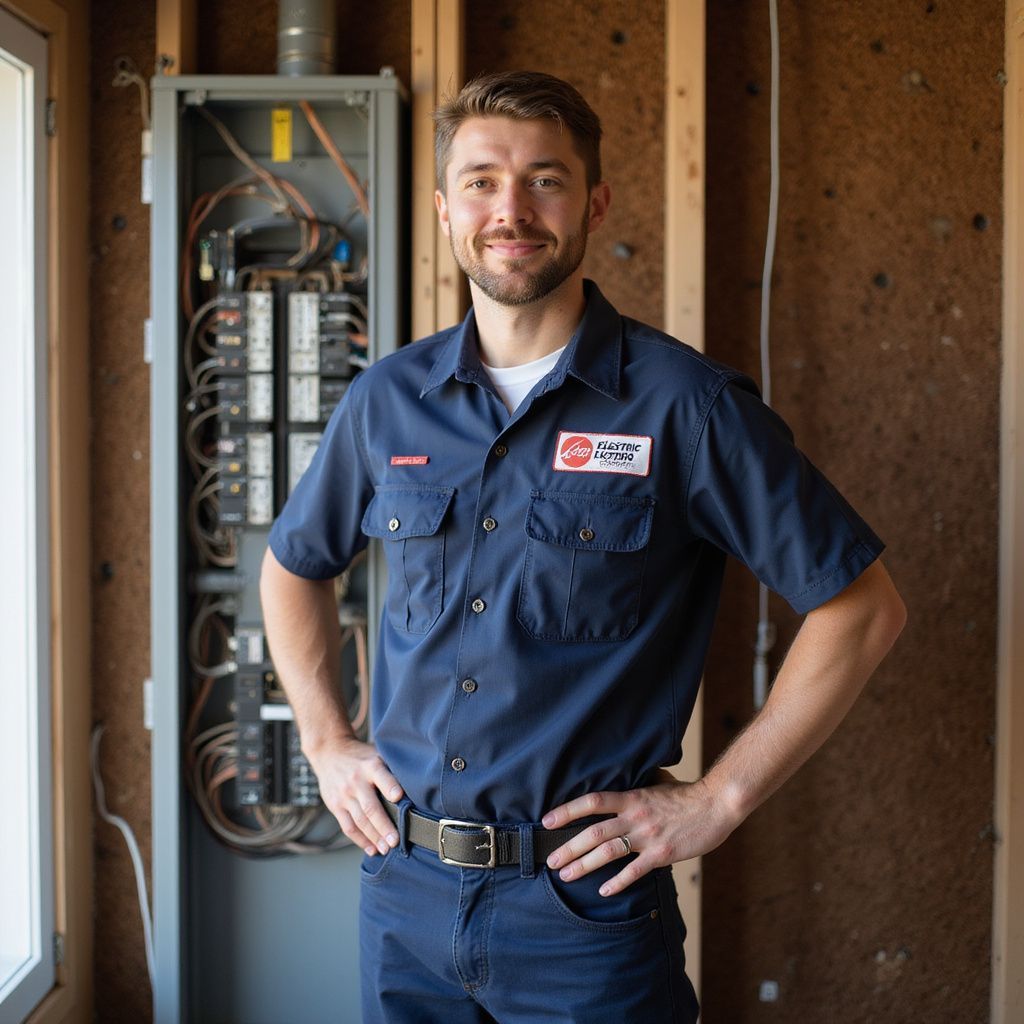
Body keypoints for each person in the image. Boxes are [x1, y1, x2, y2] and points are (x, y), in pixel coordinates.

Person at [259, 70, 906, 1024]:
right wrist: (325, 740)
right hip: (404, 892)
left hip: (581, 914)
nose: (510, 209)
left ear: (595, 200)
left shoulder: (685, 406)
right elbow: (293, 568)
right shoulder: (385, 400)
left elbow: (861, 607)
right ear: (444, 208)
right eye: (480, 181)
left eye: (545, 179)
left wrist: (717, 801)